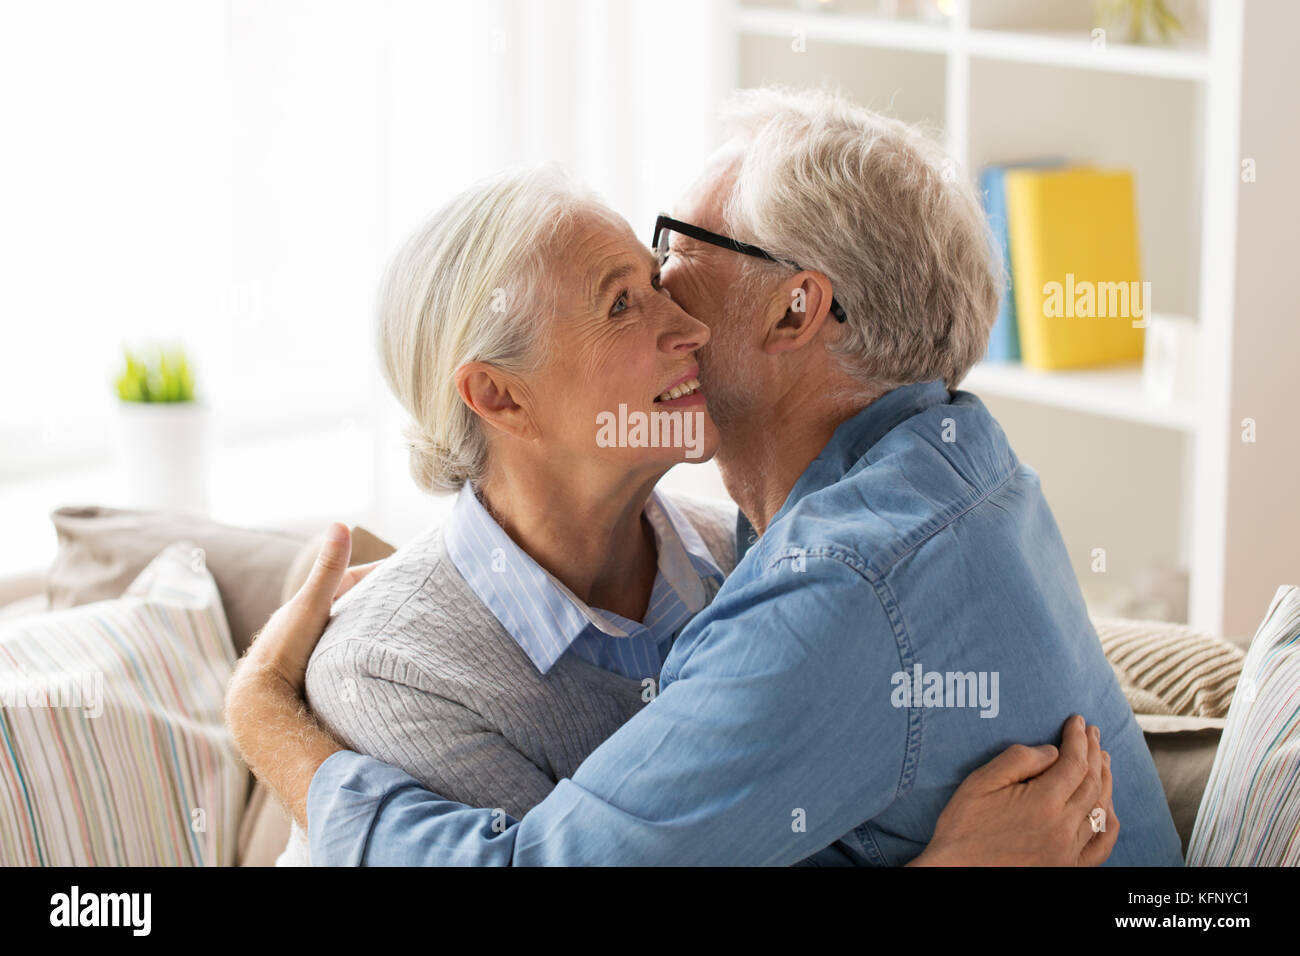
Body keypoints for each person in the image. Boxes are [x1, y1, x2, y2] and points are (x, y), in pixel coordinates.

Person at [229, 87, 1181, 865]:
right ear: (499, 398)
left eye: (675, 258)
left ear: (795, 308)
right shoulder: (960, 471)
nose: (674, 314)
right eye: (626, 297)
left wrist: (262, 717)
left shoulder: (822, 584)